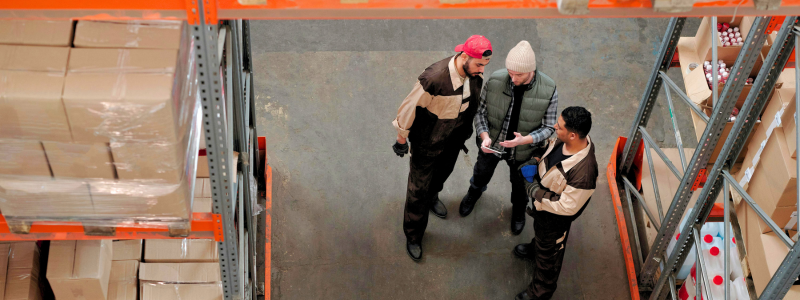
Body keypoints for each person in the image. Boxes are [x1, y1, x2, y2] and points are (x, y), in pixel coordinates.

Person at [391, 35, 493, 261]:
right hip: (427, 143)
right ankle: (414, 234)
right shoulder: (434, 79)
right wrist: (401, 139)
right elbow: (408, 108)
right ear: (464, 56)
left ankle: (433, 196)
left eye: (485, 66)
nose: (481, 71)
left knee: (442, 174)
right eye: (479, 64)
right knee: (418, 190)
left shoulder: (473, 73)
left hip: (454, 140)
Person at [459, 40, 558, 235]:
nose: (512, 79)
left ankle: (518, 210)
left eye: (518, 74)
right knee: (481, 173)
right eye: (510, 72)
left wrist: (525, 140)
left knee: (520, 186)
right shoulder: (496, 80)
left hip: (524, 151)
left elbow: (549, 127)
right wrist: (484, 136)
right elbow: (480, 112)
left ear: (531, 71)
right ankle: (474, 193)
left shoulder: (548, 89)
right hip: (493, 144)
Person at [512, 106, 598, 300]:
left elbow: (567, 207)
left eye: (559, 126)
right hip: (543, 209)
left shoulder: (585, 173)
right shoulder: (563, 140)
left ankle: (540, 292)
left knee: (549, 258)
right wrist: (535, 160)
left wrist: (535, 192)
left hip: (555, 220)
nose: (554, 127)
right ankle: (536, 248)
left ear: (573, 135)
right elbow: (548, 153)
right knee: (541, 238)